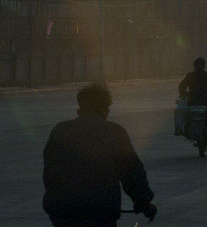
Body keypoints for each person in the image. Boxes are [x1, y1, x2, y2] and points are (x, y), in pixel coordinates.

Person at [43, 84, 157, 227]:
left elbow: (50, 173)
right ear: (105, 108)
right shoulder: (114, 132)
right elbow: (132, 172)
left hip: (63, 210)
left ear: (81, 105)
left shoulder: (60, 130)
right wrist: (143, 202)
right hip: (100, 210)